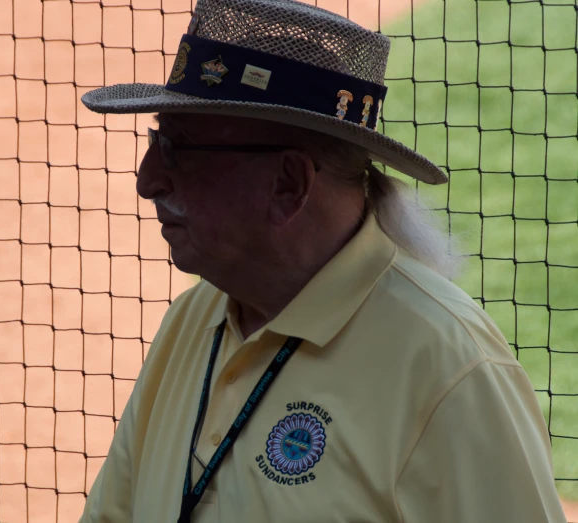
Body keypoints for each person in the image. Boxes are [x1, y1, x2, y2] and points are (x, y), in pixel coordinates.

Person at [77, 0, 568, 521]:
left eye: (179, 149)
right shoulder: (194, 321)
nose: (147, 180)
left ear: (289, 184)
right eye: (157, 139)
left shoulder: (449, 367)